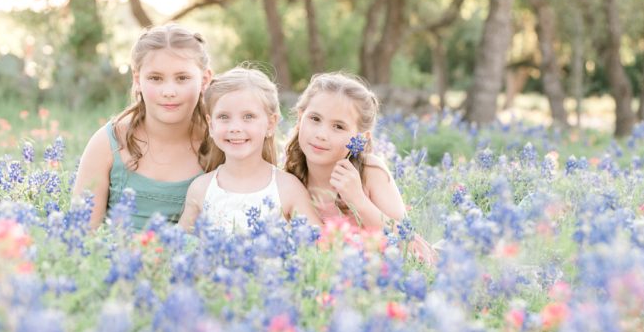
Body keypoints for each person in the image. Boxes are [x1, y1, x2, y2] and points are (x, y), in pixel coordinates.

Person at [284, 72, 437, 263]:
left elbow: (408, 243)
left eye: (338, 126)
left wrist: (358, 200)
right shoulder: (289, 175)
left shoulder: (370, 172)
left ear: (361, 139)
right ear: (300, 119)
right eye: (315, 119)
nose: (321, 134)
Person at [72, 23, 212, 229]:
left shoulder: (219, 144)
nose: (169, 91)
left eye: (182, 78)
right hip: (113, 259)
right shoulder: (109, 142)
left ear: (205, 79)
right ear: (137, 79)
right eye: (155, 78)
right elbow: (81, 233)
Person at [178, 67, 321, 233]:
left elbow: (320, 245)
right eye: (224, 117)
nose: (235, 127)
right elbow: (178, 246)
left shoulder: (288, 188)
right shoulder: (201, 188)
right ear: (211, 125)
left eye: (248, 117)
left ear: (271, 123)